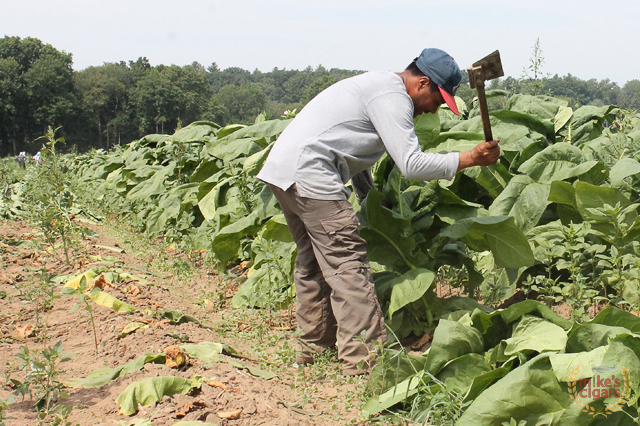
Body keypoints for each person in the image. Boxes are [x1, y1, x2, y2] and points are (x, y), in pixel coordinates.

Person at [257, 48, 500, 375]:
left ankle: (313, 350)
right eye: (438, 100)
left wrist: (369, 196)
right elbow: (412, 164)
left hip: (285, 171)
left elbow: (350, 147)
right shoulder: (393, 98)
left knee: (313, 261)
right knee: (348, 262)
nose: (434, 109)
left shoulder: (379, 88)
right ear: (421, 83)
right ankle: (365, 362)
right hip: (311, 173)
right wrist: (470, 158)